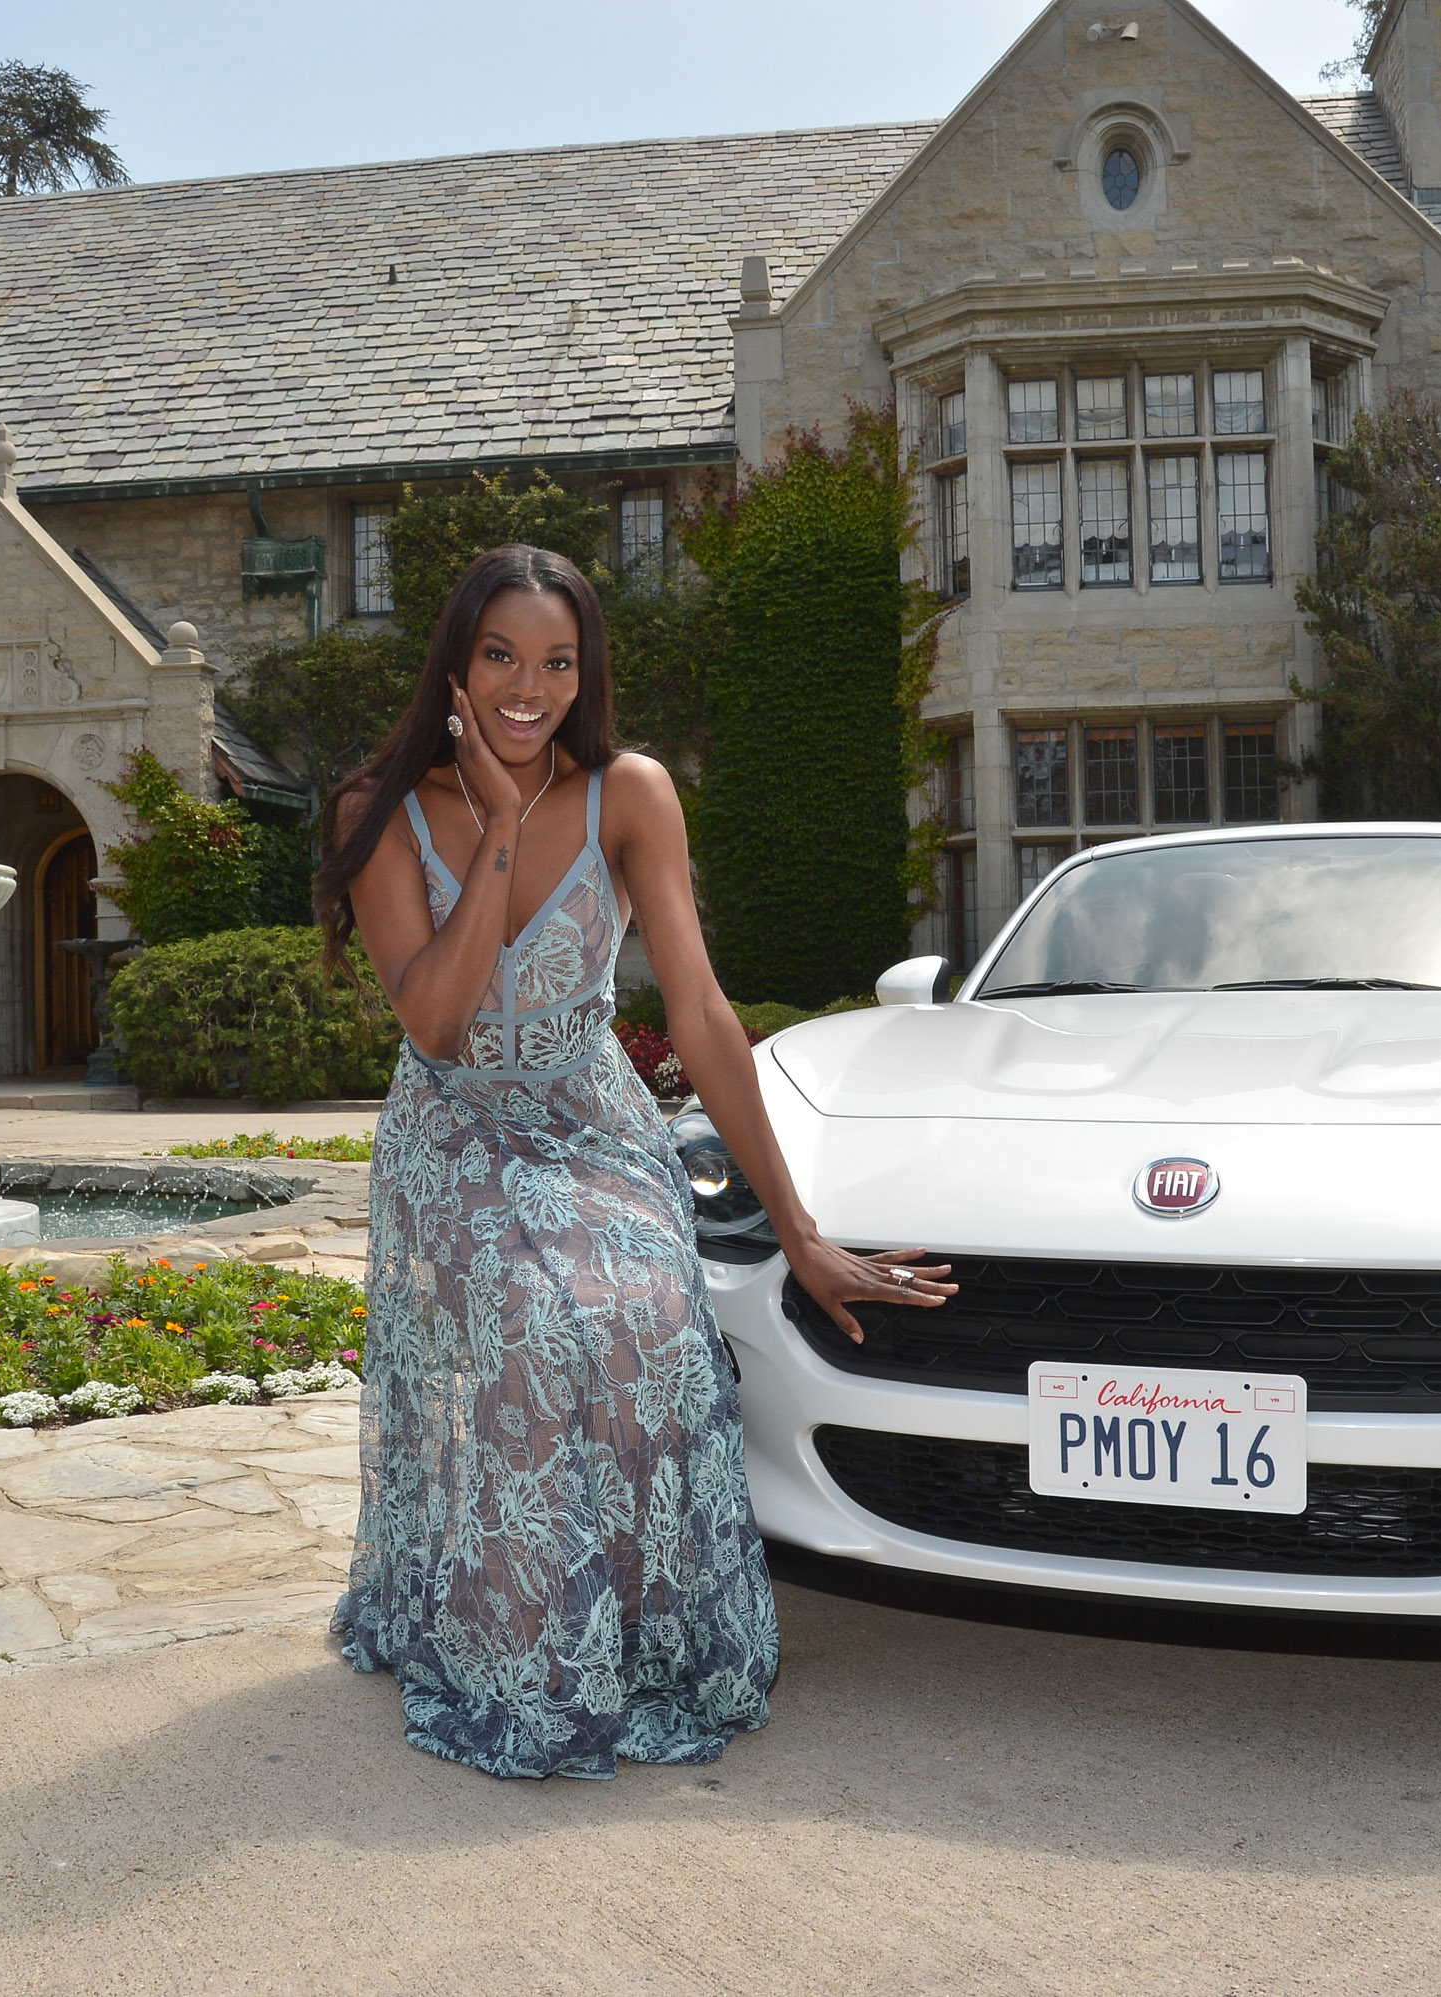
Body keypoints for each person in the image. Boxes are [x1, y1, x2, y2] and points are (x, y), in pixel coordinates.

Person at [317, 543, 954, 1780]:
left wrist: (801, 1228)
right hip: (456, 1130)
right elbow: (436, 1022)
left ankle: (641, 1638)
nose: (527, 687)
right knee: (537, 1321)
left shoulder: (633, 792)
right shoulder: (378, 809)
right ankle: (520, 1640)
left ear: (584, 673)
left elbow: (706, 1016)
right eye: (500, 655)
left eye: (557, 662)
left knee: (648, 1315)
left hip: (594, 1118)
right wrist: (499, 827)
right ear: (456, 661)